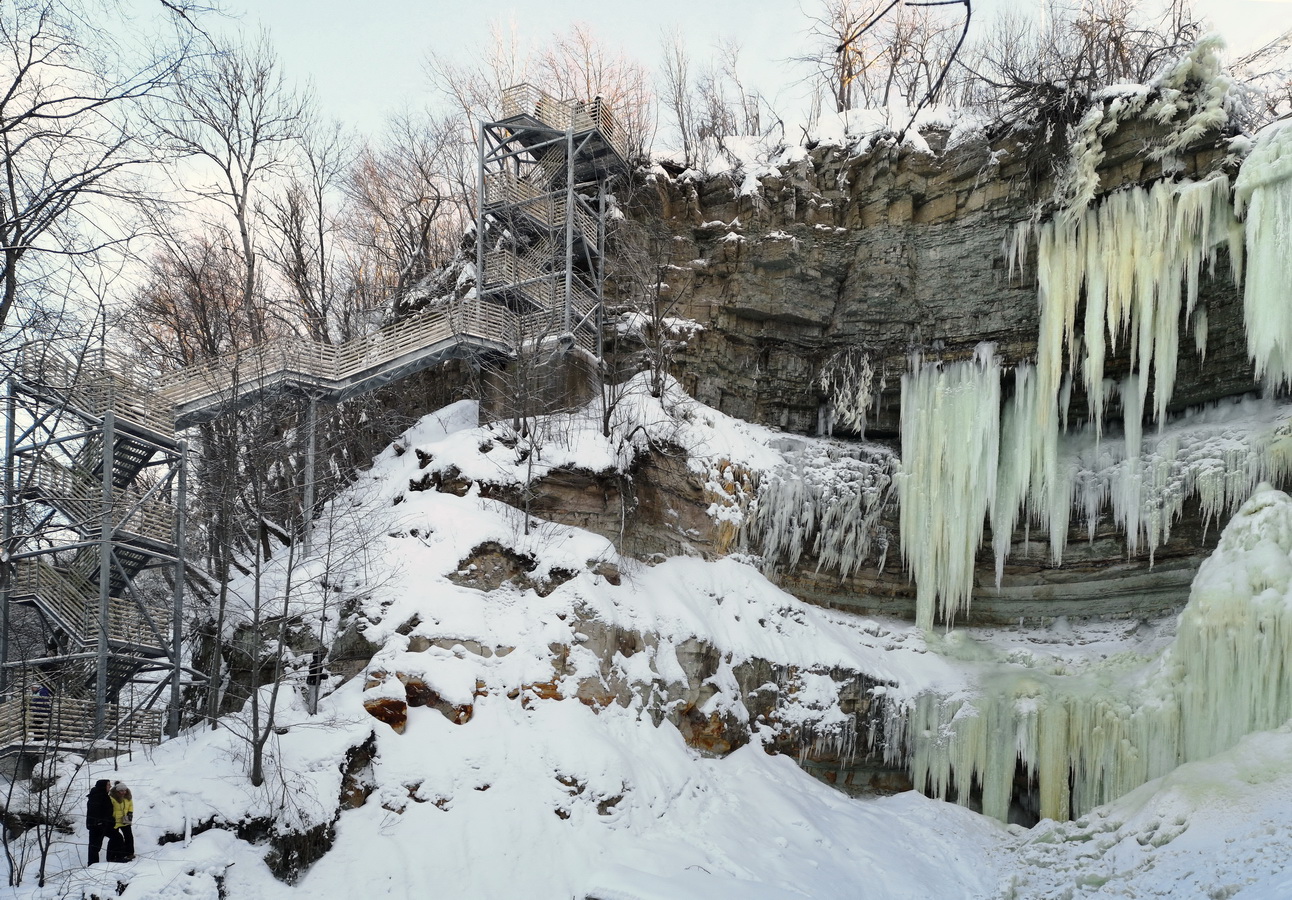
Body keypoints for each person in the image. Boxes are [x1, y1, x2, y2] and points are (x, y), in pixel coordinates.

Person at [85, 779, 113, 865]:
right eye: (108, 785)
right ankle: (93, 865)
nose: (110, 787)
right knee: (94, 847)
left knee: (116, 837)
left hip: (103, 824)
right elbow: (95, 812)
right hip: (96, 825)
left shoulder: (103, 795)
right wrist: (99, 822)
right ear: (103, 786)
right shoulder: (97, 796)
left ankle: (112, 859)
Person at [106, 782, 134, 862]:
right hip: (115, 820)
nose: (123, 792)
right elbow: (110, 808)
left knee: (129, 836)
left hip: (126, 818)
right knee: (115, 838)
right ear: (117, 791)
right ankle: (113, 856)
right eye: (121, 791)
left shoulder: (128, 797)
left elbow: (131, 805)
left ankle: (129, 853)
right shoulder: (112, 798)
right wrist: (111, 818)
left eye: (124, 790)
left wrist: (130, 813)